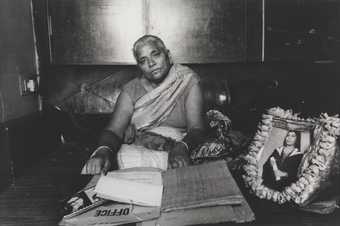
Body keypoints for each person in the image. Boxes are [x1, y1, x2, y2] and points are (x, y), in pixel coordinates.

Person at [81, 35, 205, 175]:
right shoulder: (131, 90)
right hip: (136, 152)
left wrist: (182, 148)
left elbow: (197, 128)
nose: (151, 63)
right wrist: (103, 151)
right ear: (139, 66)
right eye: (143, 60)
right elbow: (114, 131)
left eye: (155, 55)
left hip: (178, 150)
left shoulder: (187, 81)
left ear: (168, 55)